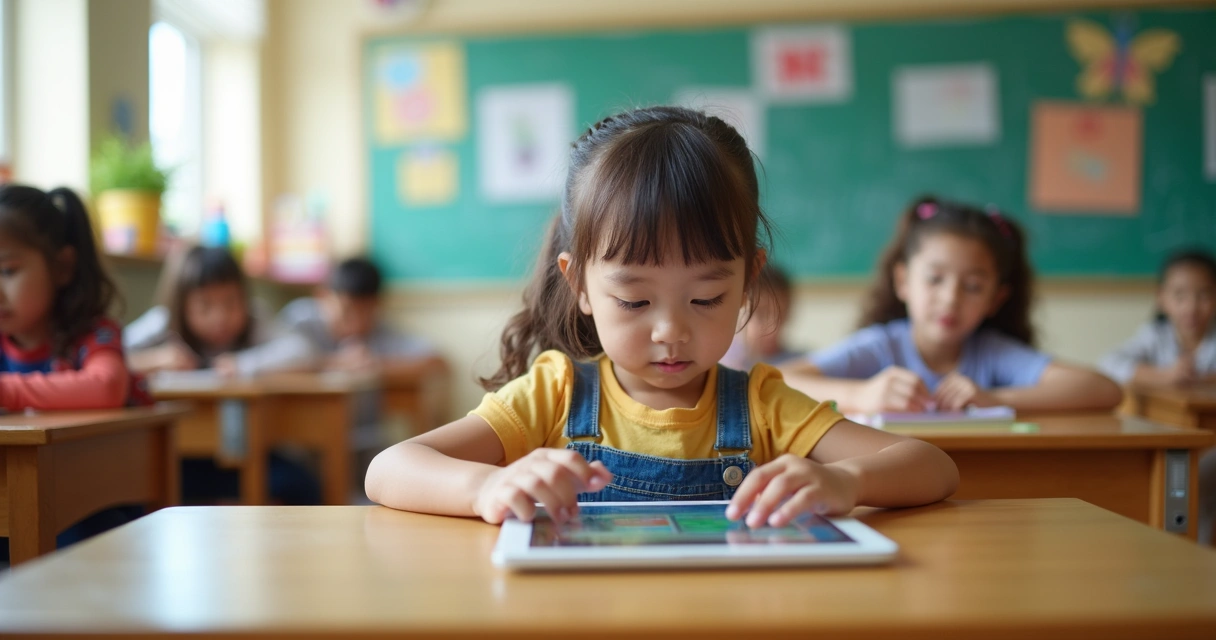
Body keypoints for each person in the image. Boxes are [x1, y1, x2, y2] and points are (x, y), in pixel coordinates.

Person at [365, 107, 958, 528]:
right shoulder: (556, 394)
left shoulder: (759, 403)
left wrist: (845, 482)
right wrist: (485, 486)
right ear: (580, 284)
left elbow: (930, 465)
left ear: (750, 277)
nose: (670, 330)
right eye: (634, 300)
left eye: (705, 300)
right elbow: (390, 468)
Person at [780, 196, 1122, 414]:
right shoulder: (880, 346)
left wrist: (997, 400)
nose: (950, 299)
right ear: (903, 282)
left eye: (973, 286)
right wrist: (863, 396)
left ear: (995, 299)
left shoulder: (991, 353)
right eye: (934, 279)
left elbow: (1104, 390)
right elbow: (778, 379)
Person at [0, 184, 150, 561]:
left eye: (8, 271)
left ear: (62, 267)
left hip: (96, 499)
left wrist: (9, 392)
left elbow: (106, 387)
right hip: (16, 499)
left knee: (88, 540)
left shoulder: (94, 334)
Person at [1099, 249, 1216, 386]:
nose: (1191, 307)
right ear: (1161, 298)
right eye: (1179, 295)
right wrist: (1164, 376)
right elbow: (1108, 365)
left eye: (1204, 295)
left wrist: (1202, 380)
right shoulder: (1155, 335)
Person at [720, 264, 803, 370]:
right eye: (761, 314)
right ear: (738, 310)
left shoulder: (801, 362)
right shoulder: (719, 361)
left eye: (781, 315)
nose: (773, 328)